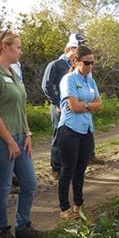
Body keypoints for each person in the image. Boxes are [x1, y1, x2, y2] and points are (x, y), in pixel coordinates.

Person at [0, 29, 43, 238]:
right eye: (17, 47)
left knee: (29, 182)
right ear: (5, 47)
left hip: (18, 137)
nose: (21, 52)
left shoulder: (13, 74)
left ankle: (23, 225)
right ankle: (1, 233)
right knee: (3, 187)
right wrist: (9, 140)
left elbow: (20, 108)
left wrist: (27, 134)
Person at [57, 46, 102, 219]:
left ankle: (78, 202)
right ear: (76, 61)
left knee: (81, 169)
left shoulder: (90, 81)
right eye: (86, 63)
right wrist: (86, 105)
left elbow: (100, 104)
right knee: (68, 169)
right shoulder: (68, 80)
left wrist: (85, 105)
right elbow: (73, 108)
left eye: (92, 63)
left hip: (86, 130)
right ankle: (64, 208)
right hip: (70, 130)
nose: (90, 66)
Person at [41, 34, 83, 180]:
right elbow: (46, 85)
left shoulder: (76, 66)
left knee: (72, 136)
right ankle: (56, 169)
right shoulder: (56, 64)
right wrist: (57, 103)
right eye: (77, 49)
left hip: (74, 106)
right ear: (70, 48)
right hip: (60, 106)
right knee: (59, 137)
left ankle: (69, 167)